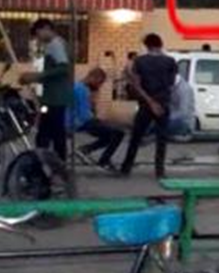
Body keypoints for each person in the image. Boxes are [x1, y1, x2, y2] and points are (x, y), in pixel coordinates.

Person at [119, 34, 179, 179]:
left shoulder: (139, 61)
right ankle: (160, 171)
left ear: (147, 45)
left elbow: (136, 85)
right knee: (161, 139)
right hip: (163, 104)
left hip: (145, 104)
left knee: (136, 137)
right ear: (160, 44)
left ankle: (126, 167)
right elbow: (171, 84)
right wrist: (158, 102)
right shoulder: (170, 61)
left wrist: (150, 102)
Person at [18, 19, 71, 159]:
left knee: (52, 133)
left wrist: (38, 76)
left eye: (38, 34)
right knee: (46, 133)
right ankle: (45, 162)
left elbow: (63, 68)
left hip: (56, 98)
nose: (38, 38)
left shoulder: (55, 44)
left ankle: (56, 163)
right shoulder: (53, 45)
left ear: (46, 28)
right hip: (52, 96)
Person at [69, 67, 125, 172]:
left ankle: (85, 150)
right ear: (93, 77)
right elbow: (84, 114)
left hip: (77, 120)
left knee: (110, 134)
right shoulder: (82, 89)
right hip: (80, 122)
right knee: (119, 133)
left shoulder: (78, 87)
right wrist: (98, 120)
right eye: (99, 83)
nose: (99, 86)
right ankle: (103, 161)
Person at [167, 73, 196, 141]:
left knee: (160, 124)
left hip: (184, 122)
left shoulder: (184, 89)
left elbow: (183, 113)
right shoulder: (173, 86)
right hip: (174, 118)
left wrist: (166, 117)